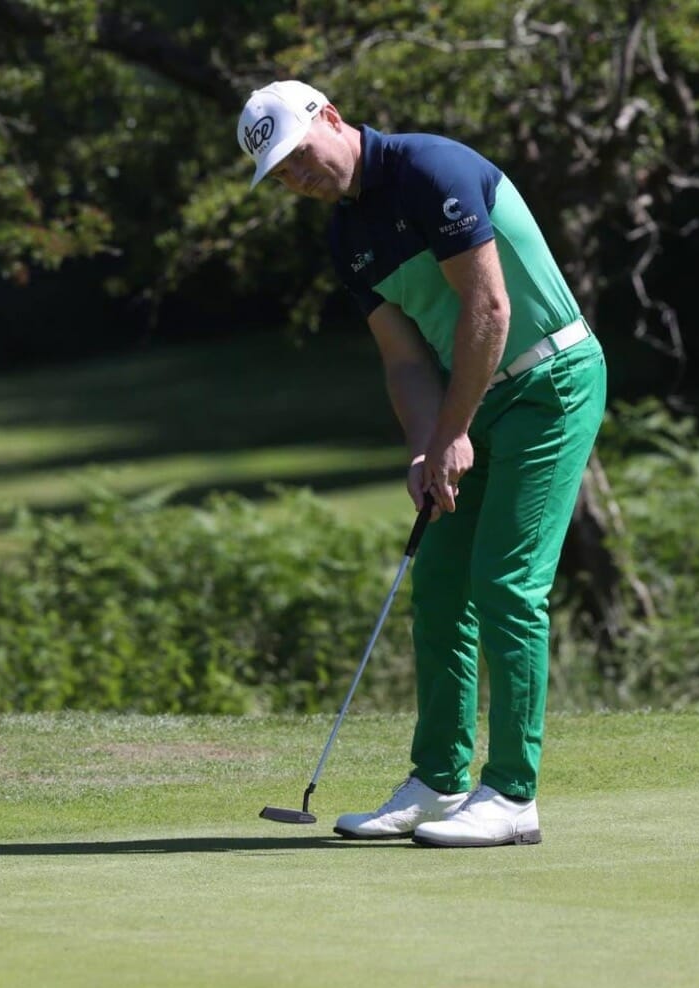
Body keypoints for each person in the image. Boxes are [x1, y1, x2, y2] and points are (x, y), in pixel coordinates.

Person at [238, 80, 606, 847]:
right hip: (476, 399)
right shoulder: (347, 236)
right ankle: (439, 780)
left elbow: (489, 308)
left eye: (299, 155)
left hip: (550, 382)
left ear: (331, 117)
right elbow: (405, 360)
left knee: (507, 582)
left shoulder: (432, 169)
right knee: (439, 585)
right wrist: (425, 444)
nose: (297, 176)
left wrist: (452, 430)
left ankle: (513, 795)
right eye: (282, 173)